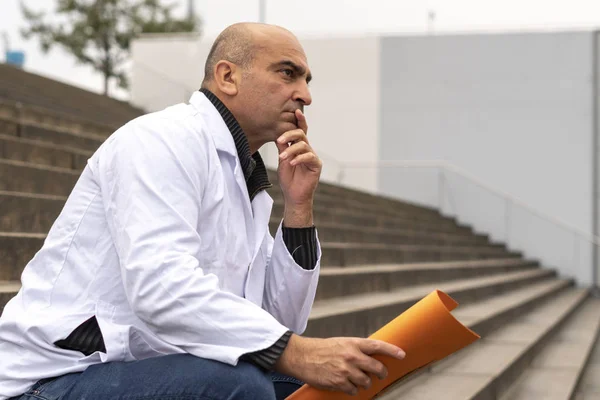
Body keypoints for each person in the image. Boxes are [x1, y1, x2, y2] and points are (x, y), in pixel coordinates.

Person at [0, 23, 405, 400]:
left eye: (305, 80)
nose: (305, 95)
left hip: (146, 365)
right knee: (241, 388)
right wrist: (296, 352)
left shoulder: (243, 177)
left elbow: (281, 320)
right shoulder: (162, 140)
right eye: (288, 73)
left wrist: (298, 208)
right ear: (228, 77)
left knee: (324, 386)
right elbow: (160, 287)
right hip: (54, 377)